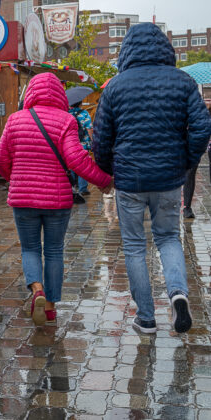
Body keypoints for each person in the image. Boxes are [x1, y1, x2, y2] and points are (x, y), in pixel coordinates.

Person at [93, 23, 211, 334]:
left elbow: (101, 139)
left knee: (134, 245)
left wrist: (110, 169)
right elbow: (202, 128)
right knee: (168, 238)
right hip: (169, 179)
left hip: (130, 180)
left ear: (127, 50)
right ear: (165, 49)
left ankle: (146, 317)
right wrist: (186, 162)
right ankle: (178, 295)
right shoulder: (183, 82)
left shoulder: (115, 87)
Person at [0, 72, 112, 326]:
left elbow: (1, 160)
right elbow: (76, 159)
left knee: (30, 249)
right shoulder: (66, 120)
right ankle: (49, 307)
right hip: (57, 199)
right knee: (54, 250)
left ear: (30, 93)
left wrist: (15, 178)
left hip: (22, 199)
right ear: (60, 94)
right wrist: (103, 180)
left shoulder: (14, 120)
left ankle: (37, 288)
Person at [69, 100, 94, 196]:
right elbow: (89, 129)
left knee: (71, 165)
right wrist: (93, 141)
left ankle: (72, 187)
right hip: (83, 144)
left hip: (70, 144)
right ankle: (83, 188)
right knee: (83, 165)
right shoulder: (84, 113)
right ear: (80, 103)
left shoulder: (67, 114)